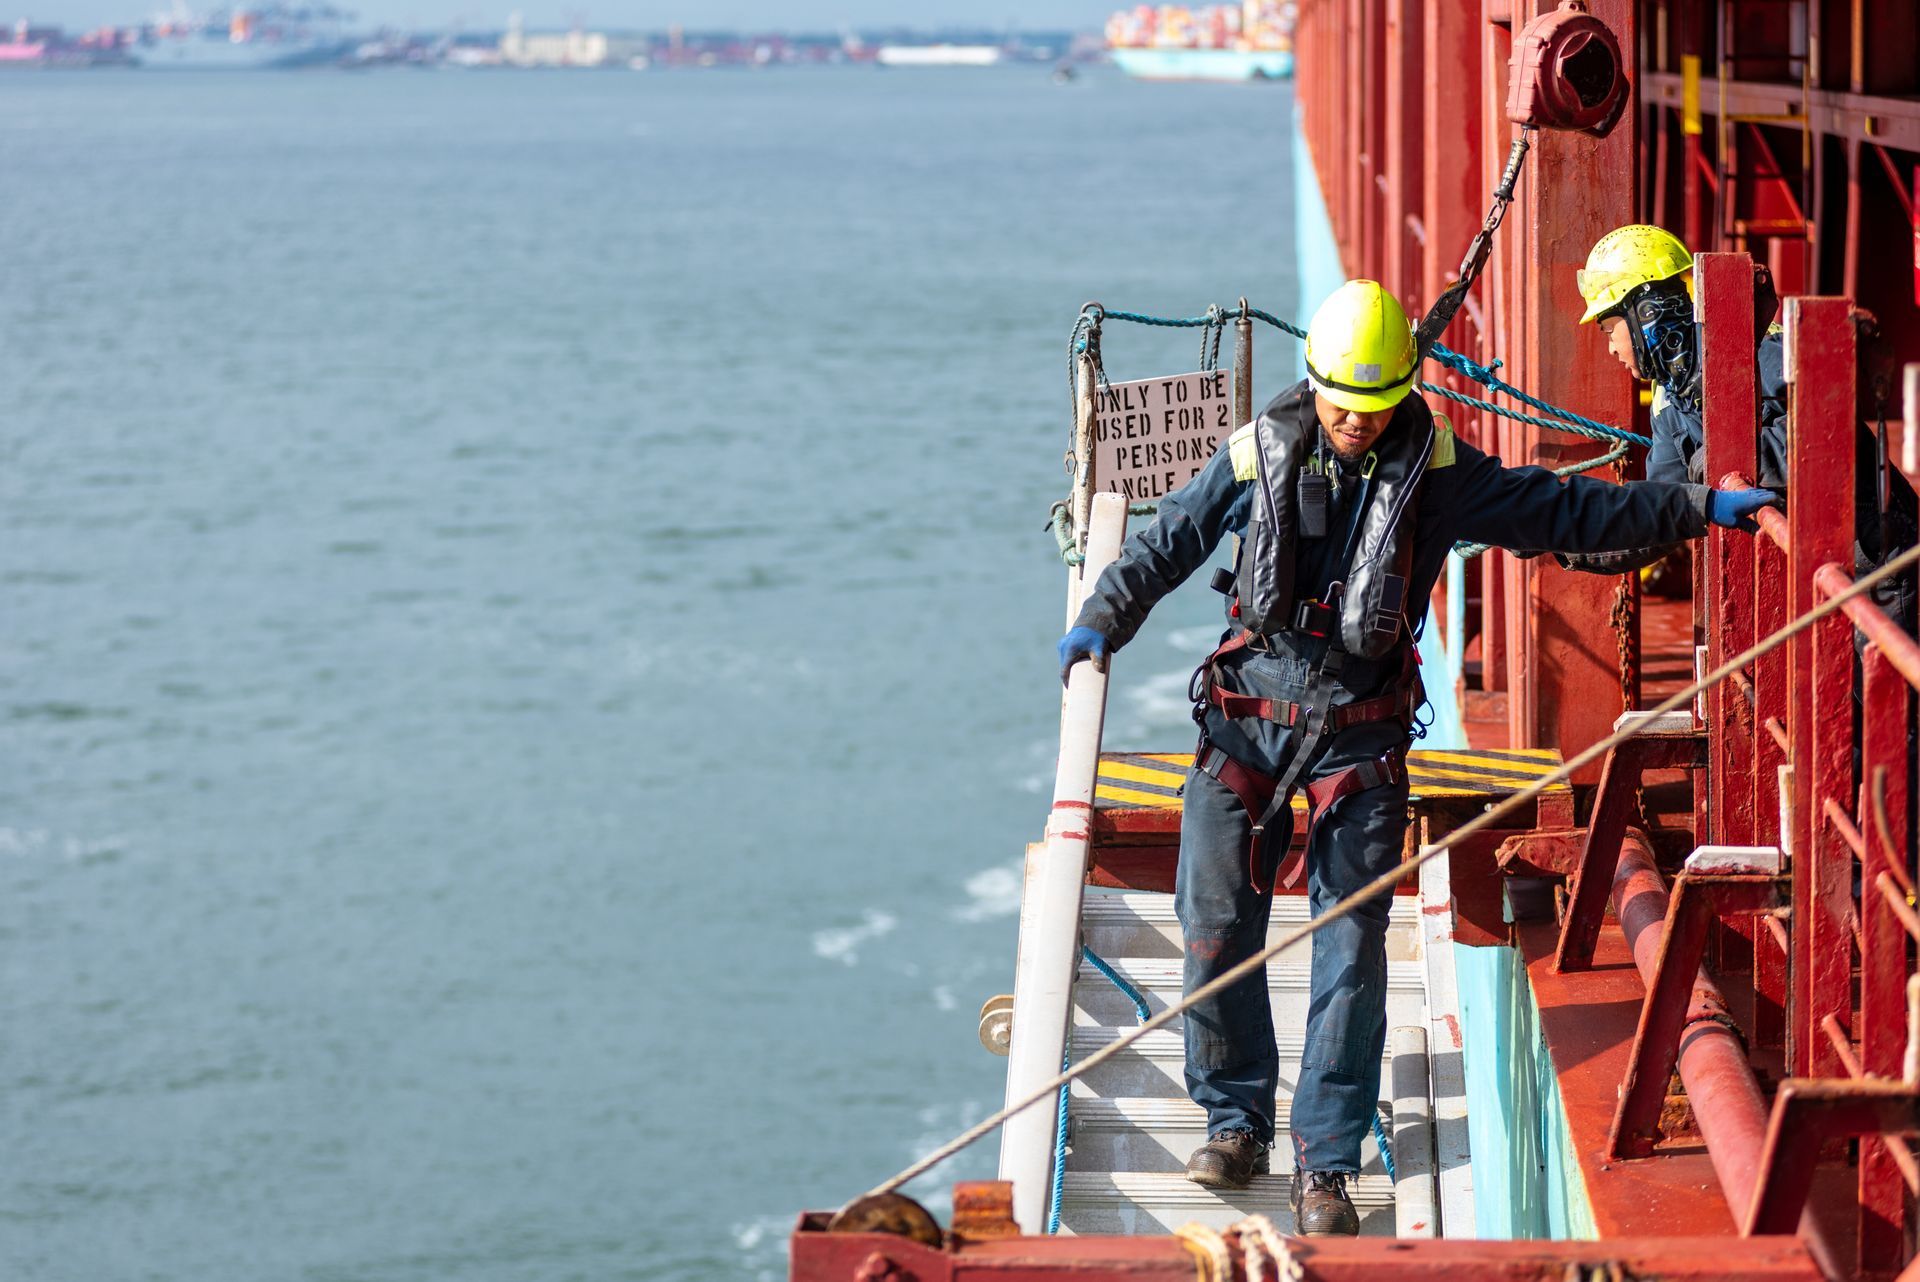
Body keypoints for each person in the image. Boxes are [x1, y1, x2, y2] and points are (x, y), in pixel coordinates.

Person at [1055, 280, 1775, 1237]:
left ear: (1401, 392)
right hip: (1242, 726)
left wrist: (1696, 507)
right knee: (1215, 925)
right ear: (1313, 387)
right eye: (1341, 404)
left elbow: (1562, 513)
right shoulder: (1257, 453)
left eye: (1374, 404)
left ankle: (1326, 1166)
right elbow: (1172, 538)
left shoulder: (1439, 473)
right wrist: (1100, 621)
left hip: (1360, 734)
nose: (1355, 422)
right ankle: (1234, 1122)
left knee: (1350, 954)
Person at [1566, 224, 1913, 632]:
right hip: (1815, 573)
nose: (1610, 347)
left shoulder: (1767, 351)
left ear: (1647, 312)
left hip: (1876, 568)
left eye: (1610, 329)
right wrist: (1561, 540)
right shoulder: (1670, 400)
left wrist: (1708, 462)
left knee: (1875, 690)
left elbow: (1820, 449)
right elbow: (1660, 514)